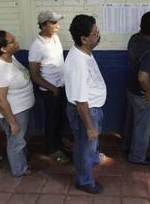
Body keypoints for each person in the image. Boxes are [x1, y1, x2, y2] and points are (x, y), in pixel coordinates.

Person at [64, 14, 107, 194]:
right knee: (84, 147)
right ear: (83, 38)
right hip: (85, 111)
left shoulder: (83, 51)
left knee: (88, 146)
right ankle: (84, 181)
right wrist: (90, 127)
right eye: (95, 34)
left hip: (92, 109)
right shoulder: (78, 62)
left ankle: (92, 158)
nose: (99, 36)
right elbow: (80, 100)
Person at [0, 30, 35, 177]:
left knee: (23, 138)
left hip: (23, 109)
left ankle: (21, 161)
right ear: (3, 49)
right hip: (13, 113)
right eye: (12, 41)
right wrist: (12, 122)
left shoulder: (10, 58)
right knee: (16, 142)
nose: (17, 42)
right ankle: (19, 170)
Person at [28, 10, 69, 163]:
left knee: (60, 116)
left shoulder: (55, 38)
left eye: (57, 22)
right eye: (53, 22)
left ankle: (60, 140)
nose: (57, 26)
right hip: (50, 90)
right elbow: (34, 75)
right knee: (52, 119)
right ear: (43, 25)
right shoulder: (37, 46)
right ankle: (52, 149)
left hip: (61, 86)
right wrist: (53, 88)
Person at [122, 11, 150, 165]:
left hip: (130, 89)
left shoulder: (134, 39)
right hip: (142, 94)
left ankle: (127, 146)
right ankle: (137, 156)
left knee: (130, 121)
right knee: (142, 126)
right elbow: (143, 76)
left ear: (140, 26)